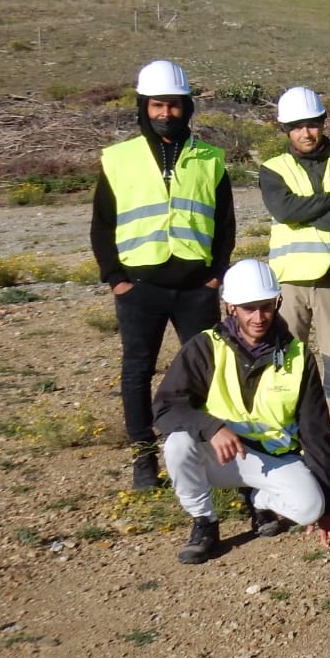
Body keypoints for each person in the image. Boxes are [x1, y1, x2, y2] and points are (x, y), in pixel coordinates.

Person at [91, 59, 235, 491]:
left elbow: (225, 223)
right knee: (137, 370)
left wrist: (215, 274)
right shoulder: (119, 159)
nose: (165, 114)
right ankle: (143, 457)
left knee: (207, 371)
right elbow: (102, 224)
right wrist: (116, 278)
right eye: (157, 105)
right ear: (143, 106)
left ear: (186, 107)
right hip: (140, 288)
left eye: (173, 105)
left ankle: (207, 448)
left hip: (195, 287)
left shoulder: (210, 159)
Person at [153, 259, 330, 565]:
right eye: (249, 308)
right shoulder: (204, 347)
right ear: (231, 307)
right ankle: (204, 522)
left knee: (311, 508)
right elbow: (165, 408)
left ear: (277, 303)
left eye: (267, 306)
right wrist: (211, 427)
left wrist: (329, 509)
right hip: (221, 456)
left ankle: (258, 500)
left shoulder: (297, 355)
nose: (259, 317)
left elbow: (316, 431)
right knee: (177, 443)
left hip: (275, 457)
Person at [259, 86, 330, 467]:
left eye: (312, 124)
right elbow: (284, 209)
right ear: (286, 129)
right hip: (291, 282)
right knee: (286, 357)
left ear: (323, 123)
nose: (306, 133)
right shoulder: (273, 169)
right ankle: (287, 428)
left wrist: (310, 210)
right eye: (297, 126)